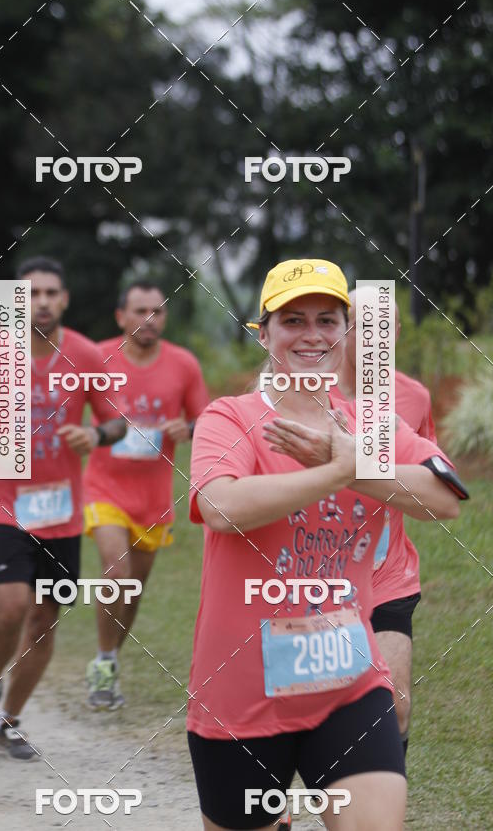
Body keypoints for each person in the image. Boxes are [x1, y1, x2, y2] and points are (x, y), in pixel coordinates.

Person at [187, 259, 464, 831]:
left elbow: (444, 497)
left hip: (348, 683)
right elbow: (220, 506)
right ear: (263, 334)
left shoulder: (373, 423)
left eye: (326, 319)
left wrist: (349, 462)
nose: (311, 334)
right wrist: (331, 473)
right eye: (292, 320)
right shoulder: (230, 417)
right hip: (240, 694)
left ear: (345, 334)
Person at [0, 256, 126, 758]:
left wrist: (94, 433)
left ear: (64, 299)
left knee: (44, 620)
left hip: (61, 512)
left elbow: (115, 422)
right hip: (3, 504)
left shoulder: (87, 354)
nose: (42, 303)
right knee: (10, 607)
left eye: (51, 293)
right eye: (30, 294)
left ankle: (10, 722)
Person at [82, 280, 209, 709]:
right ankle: (102, 664)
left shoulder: (184, 364)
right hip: (104, 487)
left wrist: (187, 429)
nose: (148, 320)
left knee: (132, 590)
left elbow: (206, 419)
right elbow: (68, 405)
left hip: (154, 497)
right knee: (115, 574)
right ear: (121, 316)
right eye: (139, 311)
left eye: (157, 312)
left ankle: (112, 656)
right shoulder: (97, 357)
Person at [331, 291, 444, 757]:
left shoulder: (413, 397)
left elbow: (430, 475)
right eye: (362, 323)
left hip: (387, 574)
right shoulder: (306, 391)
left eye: (387, 325)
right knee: (307, 706)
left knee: (394, 705)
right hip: (316, 574)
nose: (375, 335)